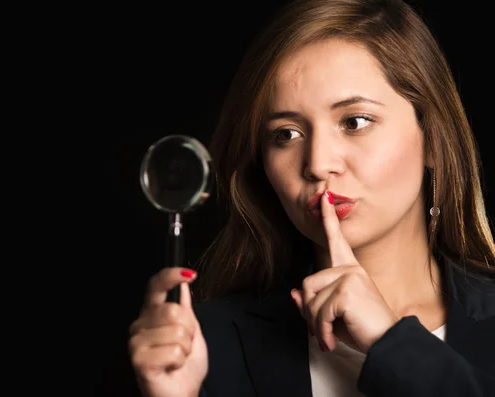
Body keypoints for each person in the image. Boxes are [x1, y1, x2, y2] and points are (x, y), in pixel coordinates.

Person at [128, 0, 495, 396]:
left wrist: (394, 344)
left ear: (434, 143)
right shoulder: (206, 347)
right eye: (285, 134)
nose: (318, 164)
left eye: (355, 122)